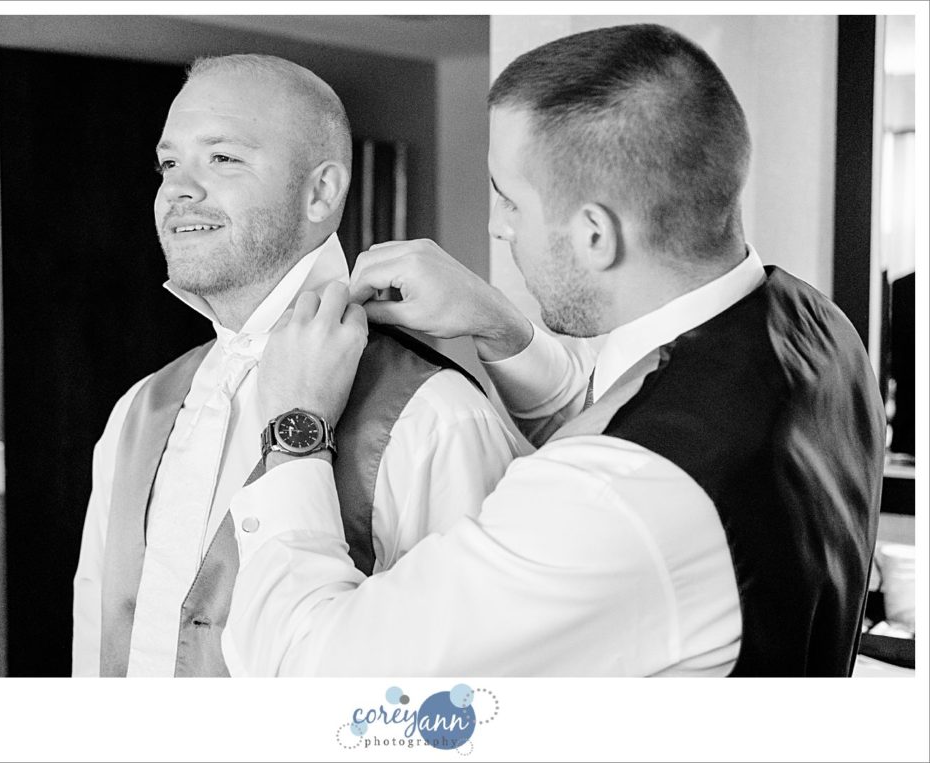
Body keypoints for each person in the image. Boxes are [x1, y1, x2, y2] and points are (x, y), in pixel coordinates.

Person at [221, 24, 887, 676]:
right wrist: (498, 326)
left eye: (507, 200)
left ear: (595, 234)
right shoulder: (815, 325)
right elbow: (640, 406)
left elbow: (316, 674)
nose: (494, 226)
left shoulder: (615, 502)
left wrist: (294, 430)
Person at [71, 54, 520, 677]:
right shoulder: (135, 412)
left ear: (321, 191)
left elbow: (472, 685)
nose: (178, 189)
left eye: (222, 158)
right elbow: (97, 642)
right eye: (169, 163)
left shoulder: (435, 418)